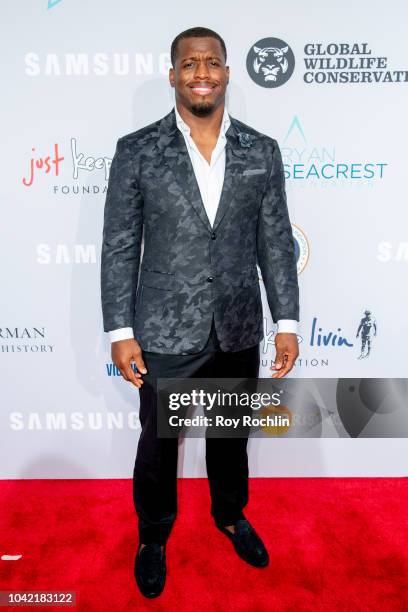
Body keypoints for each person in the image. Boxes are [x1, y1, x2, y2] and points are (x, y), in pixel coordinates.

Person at [101, 26, 300, 598]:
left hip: (238, 323)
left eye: (212, 61)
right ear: (173, 75)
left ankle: (231, 515)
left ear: (228, 72)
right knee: (160, 444)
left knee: (230, 434)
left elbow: (275, 242)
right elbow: (120, 245)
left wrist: (285, 322)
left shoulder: (262, 150)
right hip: (164, 329)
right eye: (190, 63)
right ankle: (154, 535)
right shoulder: (137, 150)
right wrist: (120, 330)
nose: (202, 71)